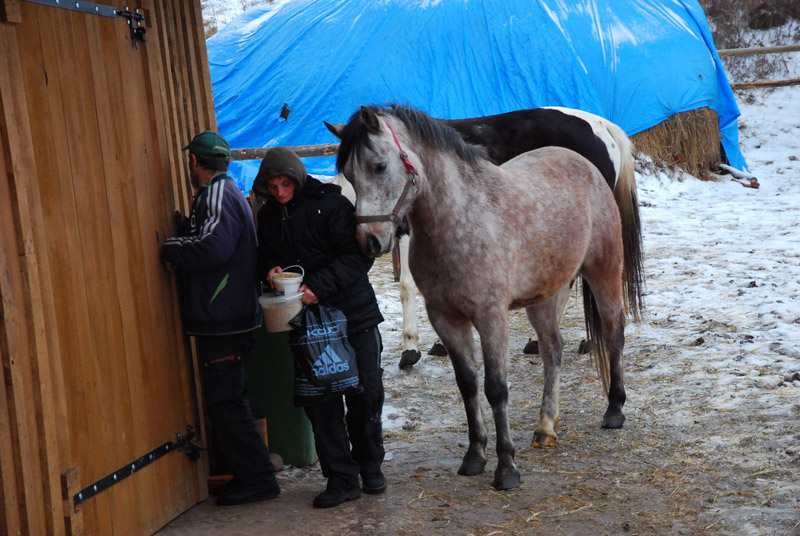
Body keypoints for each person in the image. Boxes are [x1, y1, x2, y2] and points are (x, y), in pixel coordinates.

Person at [253, 147, 385, 509]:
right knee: (321, 403)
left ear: (297, 178)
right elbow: (263, 255)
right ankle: (341, 478)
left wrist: (318, 287)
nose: (280, 192)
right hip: (307, 324)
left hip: (354, 316)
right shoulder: (266, 218)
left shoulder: (332, 205)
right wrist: (270, 270)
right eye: (273, 186)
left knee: (366, 393)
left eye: (285, 184)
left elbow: (359, 257)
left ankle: (370, 465)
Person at [162, 130, 280, 506]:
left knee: (227, 404)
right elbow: (218, 236)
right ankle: (252, 476)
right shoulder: (226, 192)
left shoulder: (215, 192)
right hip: (233, 315)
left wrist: (172, 247)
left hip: (225, 317)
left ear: (193, 162)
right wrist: (187, 228)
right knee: (229, 402)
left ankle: (260, 480)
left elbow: (216, 245)